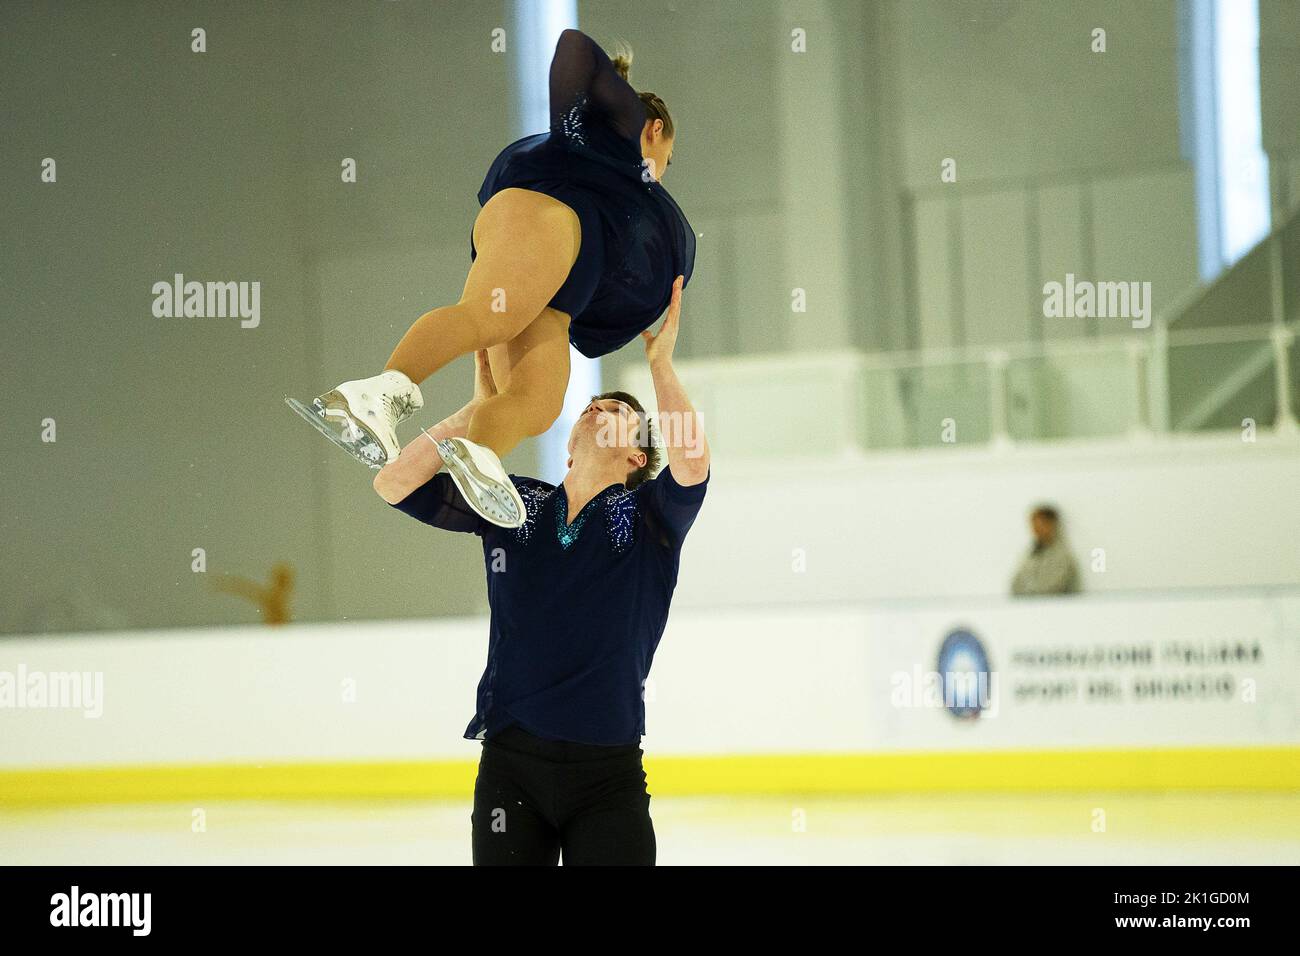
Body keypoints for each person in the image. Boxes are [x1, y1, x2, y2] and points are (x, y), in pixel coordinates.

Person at [288, 29, 694, 531]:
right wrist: (611, 93)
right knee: (490, 317)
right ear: (654, 130)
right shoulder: (614, 133)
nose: (661, 174)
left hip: (561, 280)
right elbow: (573, 50)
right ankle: (376, 394)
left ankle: (479, 455)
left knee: (538, 401)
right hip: (545, 219)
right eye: (666, 159)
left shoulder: (617, 183)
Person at [374, 277, 708, 865]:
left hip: (607, 778)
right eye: (592, 406)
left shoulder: (650, 517)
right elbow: (394, 482)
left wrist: (659, 364)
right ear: (570, 446)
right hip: (511, 771)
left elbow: (692, 462)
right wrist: (477, 412)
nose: (598, 408)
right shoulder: (512, 503)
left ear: (637, 457)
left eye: (618, 412)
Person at [1010, 505, 1080, 596]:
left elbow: (1051, 588)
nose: (1036, 529)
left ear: (1052, 524)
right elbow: (1015, 584)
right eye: (1034, 524)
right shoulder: (1029, 554)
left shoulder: (1062, 556)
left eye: (1041, 524)